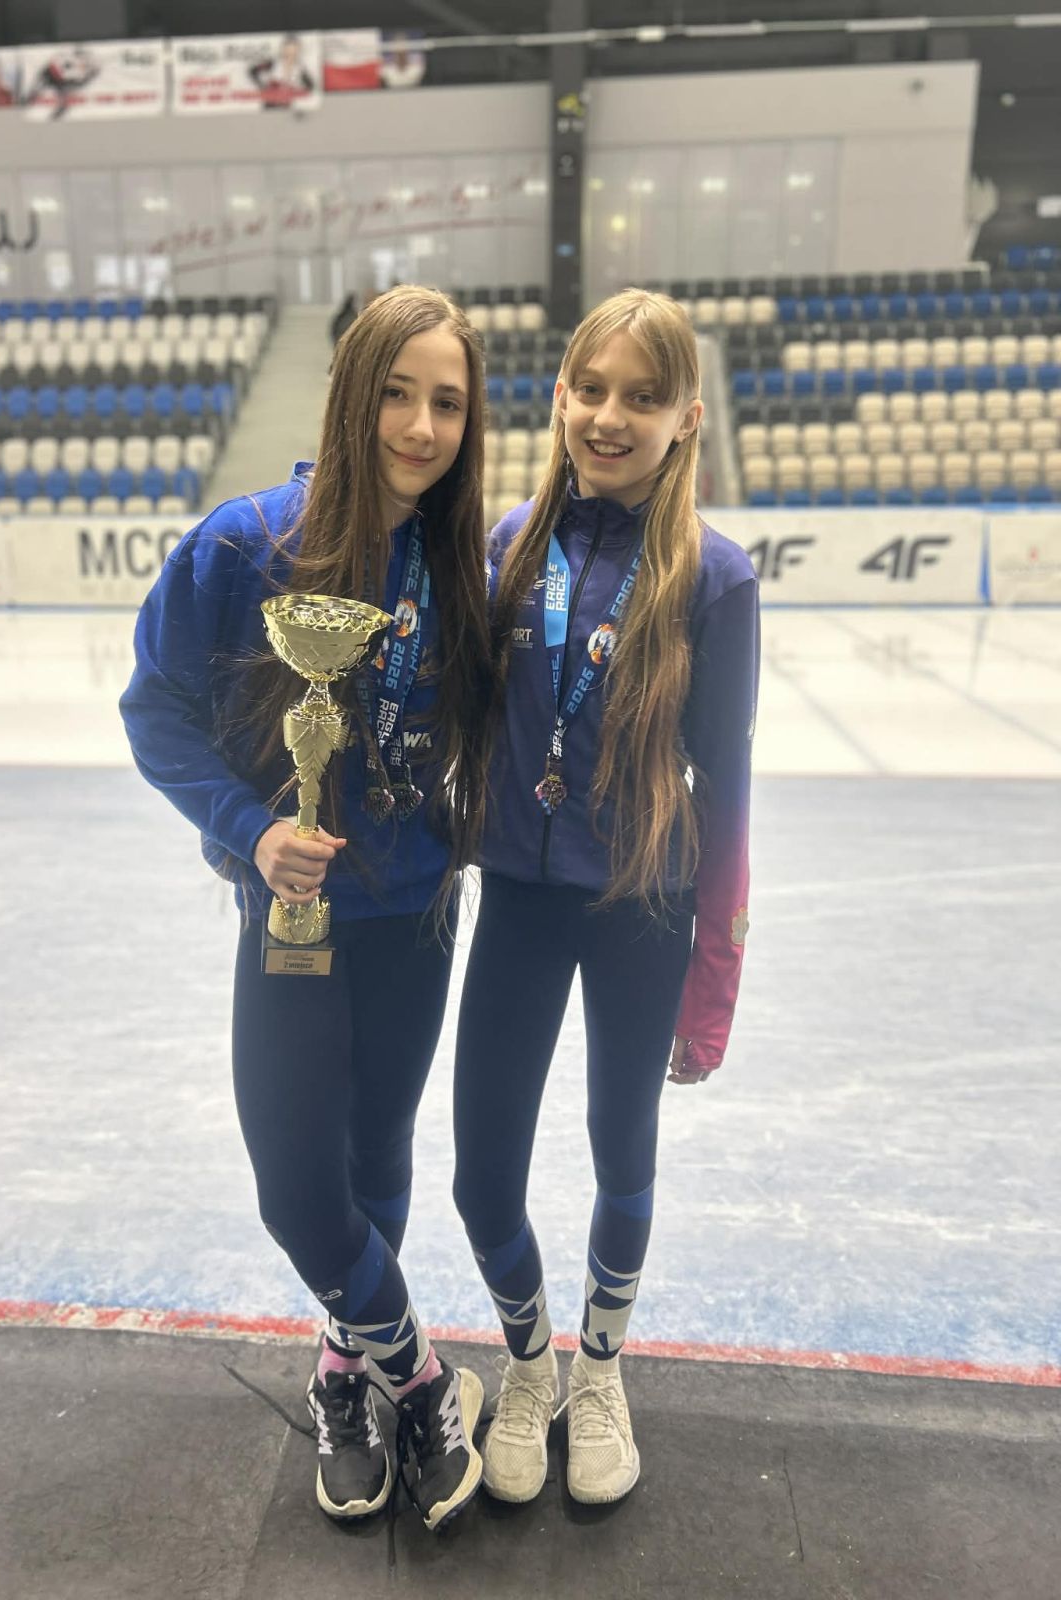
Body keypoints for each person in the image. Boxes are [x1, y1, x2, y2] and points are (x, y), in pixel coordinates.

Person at [120, 286, 494, 1532]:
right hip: (295, 924)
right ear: (348, 391)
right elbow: (154, 711)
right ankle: (423, 1379)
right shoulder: (245, 546)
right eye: (397, 392)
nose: (422, 426)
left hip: (417, 915)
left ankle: (344, 1375)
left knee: (377, 1156)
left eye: (448, 402)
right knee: (295, 1187)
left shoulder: (460, 559)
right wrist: (253, 829)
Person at [452, 289, 759, 1506]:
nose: (609, 416)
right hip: (521, 904)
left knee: (621, 1155)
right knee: (482, 1173)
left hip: (645, 907)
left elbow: (728, 791)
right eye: (590, 389)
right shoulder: (508, 543)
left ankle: (602, 1369)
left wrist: (712, 987)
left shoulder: (715, 578)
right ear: (560, 396)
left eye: (642, 396)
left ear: (688, 416)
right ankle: (532, 1361)